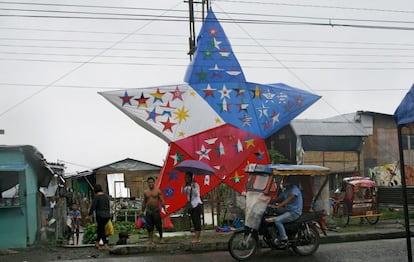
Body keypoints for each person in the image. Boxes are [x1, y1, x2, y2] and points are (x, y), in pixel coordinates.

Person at [267, 176, 303, 246]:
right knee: (272, 211)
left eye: (285, 181)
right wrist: (268, 201)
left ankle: (284, 238)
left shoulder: (294, 189)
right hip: (287, 210)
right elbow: (278, 199)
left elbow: (288, 199)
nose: (283, 182)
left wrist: (278, 206)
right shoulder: (286, 190)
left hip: (294, 212)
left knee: (277, 220)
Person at [141, 176, 167, 245]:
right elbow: (144, 202)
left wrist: (165, 209)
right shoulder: (146, 192)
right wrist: (142, 211)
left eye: (152, 182)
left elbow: (162, 200)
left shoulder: (158, 191)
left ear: (154, 183)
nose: (150, 184)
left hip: (156, 210)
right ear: (147, 183)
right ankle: (150, 239)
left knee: (158, 225)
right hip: (149, 210)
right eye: (149, 182)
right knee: (149, 226)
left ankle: (161, 238)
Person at [182, 171, 203, 243]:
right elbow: (183, 192)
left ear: (191, 178)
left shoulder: (196, 185)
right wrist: (184, 186)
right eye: (185, 177)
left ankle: (197, 238)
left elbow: (197, 194)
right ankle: (196, 237)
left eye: (187, 177)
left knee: (197, 221)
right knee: (193, 221)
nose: (186, 179)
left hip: (196, 204)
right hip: (191, 206)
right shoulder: (187, 186)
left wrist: (193, 187)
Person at [88, 184, 111, 250]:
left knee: (101, 230)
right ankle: (97, 243)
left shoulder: (97, 197)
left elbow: (93, 207)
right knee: (100, 229)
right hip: (107, 216)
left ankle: (105, 244)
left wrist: (89, 214)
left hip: (100, 216)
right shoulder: (106, 197)